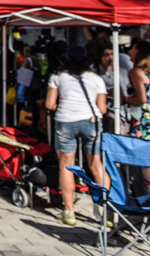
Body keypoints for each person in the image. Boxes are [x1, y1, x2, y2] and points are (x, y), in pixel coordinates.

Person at [45, 45, 108, 227]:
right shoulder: (96, 79)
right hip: (91, 120)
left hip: (66, 121)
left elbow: (49, 104)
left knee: (67, 165)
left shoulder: (57, 76)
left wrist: (64, 107)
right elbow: (102, 108)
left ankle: (69, 212)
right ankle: (110, 213)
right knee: (96, 164)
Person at [125, 40, 150, 141]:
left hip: (143, 117)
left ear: (137, 51)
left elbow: (142, 99)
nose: (130, 51)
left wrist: (125, 99)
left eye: (133, 48)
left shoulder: (136, 72)